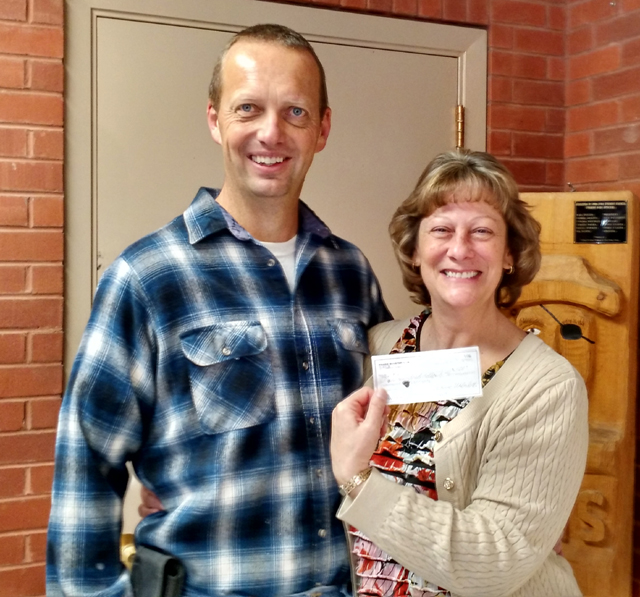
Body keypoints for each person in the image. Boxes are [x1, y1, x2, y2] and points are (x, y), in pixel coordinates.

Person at [47, 24, 390, 597]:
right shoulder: (148, 277)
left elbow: (400, 430)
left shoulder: (350, 272)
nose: (271, 132)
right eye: (247, 108)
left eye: (296, 112)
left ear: (323, 129)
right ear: (214, 119)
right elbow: (87, 461)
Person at [330, 150, 589, 597]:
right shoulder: (379, 346)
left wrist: (358, 481)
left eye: (482, 231)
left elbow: (496, 562)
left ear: (509, 254)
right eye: (441, 229)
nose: (460, 248)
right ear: (415, 251)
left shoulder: (548, 387)